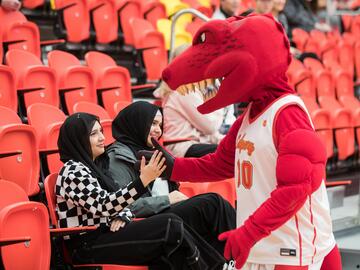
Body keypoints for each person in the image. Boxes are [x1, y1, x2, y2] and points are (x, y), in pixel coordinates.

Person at [140, 14, 342, 270]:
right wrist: (175, 168)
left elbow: (296, 189)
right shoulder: (249, 115)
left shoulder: (288, 114)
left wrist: (248, 232)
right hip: (263, 246)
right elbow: (222, 163)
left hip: (294, 249)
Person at [55, 112, 226, 270]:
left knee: (199, 209)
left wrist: (122, 215)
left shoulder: (96, 167)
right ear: (78, 140)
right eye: (93, 134)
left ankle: (224, 263)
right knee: (169, 225)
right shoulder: (72, 171)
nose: (102, 138)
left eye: (101, 131)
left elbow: (119, 206)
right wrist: (143, 181)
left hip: (107, 234)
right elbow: (105, 205)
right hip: (87, 245)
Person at [100, 101, 236, 259]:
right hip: (146, 223)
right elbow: (121, 205)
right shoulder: (117, 158)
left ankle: (228, 260)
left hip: (163, 214)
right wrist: (167, 199)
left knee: (214, 210)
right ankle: (236, 258)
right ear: (137, 123)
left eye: (160, 125)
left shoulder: (151, 152)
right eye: (153, 124)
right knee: (212, 204)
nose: (158, 130)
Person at [155, 44, 236, 158]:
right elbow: (211, 126)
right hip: (183, 148)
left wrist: (225, 140)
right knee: (232, 152)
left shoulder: (186, 88)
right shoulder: (183, 91)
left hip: (193, 144)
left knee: (236, 147)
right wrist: (219, 96)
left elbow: (208, 130)